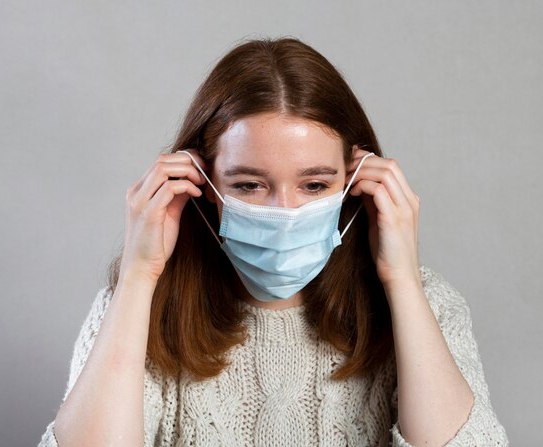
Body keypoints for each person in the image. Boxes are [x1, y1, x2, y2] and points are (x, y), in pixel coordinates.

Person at [38, 37, 509, 446]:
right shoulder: (133, 310)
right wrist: (140, 278)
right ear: (202, 183)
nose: (285, 214)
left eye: (314, 185)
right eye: (248, 185)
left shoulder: (432, 307)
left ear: (354, 183)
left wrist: (402, 281)